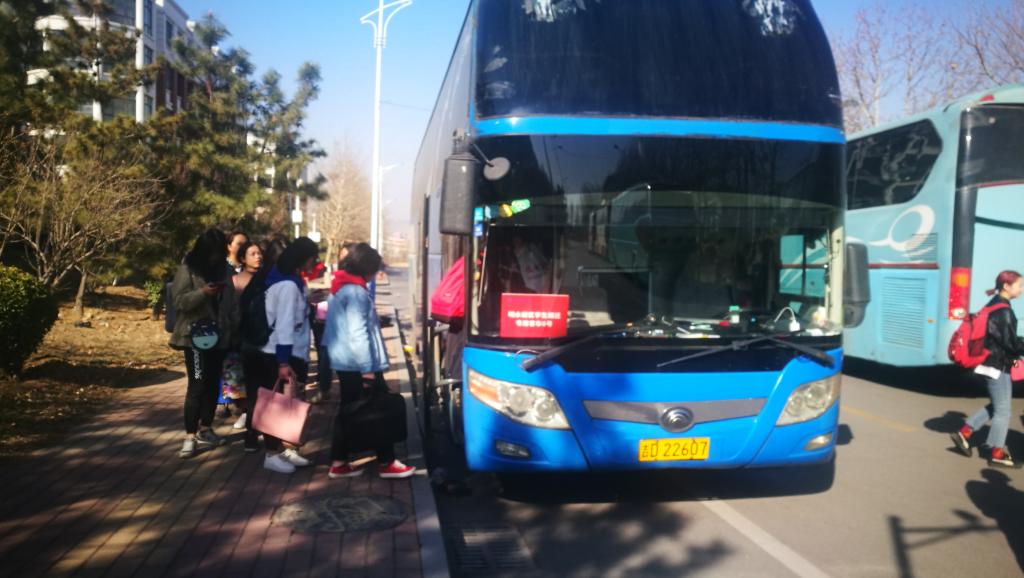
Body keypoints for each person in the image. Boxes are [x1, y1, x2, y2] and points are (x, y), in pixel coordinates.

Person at [325, 243, 415, 479]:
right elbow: (359, 333)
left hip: (344, 360)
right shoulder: (356, 292)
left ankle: (340, 461)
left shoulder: (340, 287)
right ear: (366, 267)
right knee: (378, 408)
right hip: (359, 363)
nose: (376, 273)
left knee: (349, 410)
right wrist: (367, 370)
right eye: (375, 268)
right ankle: (386, 461)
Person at [246, 237, 319, 473]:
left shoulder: (288, 280)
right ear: (303, 258)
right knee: (276, 405)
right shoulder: (287, 285)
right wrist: (283, 361)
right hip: (280, 352)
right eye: (313, 258)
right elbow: (285, 324)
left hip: (286, 351)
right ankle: (271, 453)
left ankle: (282, 449)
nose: (314, 262)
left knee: (286, 403)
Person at [169, 229, 239, 459]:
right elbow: (179, 301)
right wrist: (202, 292)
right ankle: (189, 436)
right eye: (211, 253)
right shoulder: (188, 268)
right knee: (197, 385)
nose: (215, 257)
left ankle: (206, 428)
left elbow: (232, 302)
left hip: (221, 336)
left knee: (212, 384)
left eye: (218, 252)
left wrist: (234, 327)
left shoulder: (225, 270)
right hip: (195, 338)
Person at [950, 270, 1024, 469]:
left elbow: (1002, 341)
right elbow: (1011, 344)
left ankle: (964, 433)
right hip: (997, 367)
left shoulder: (993, 304)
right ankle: (997, 453)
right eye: (1020, 286)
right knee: (1003, 411)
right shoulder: (1004, 311)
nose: (1022, 289)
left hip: (987, 364)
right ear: (1006, 286)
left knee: (996, 406)